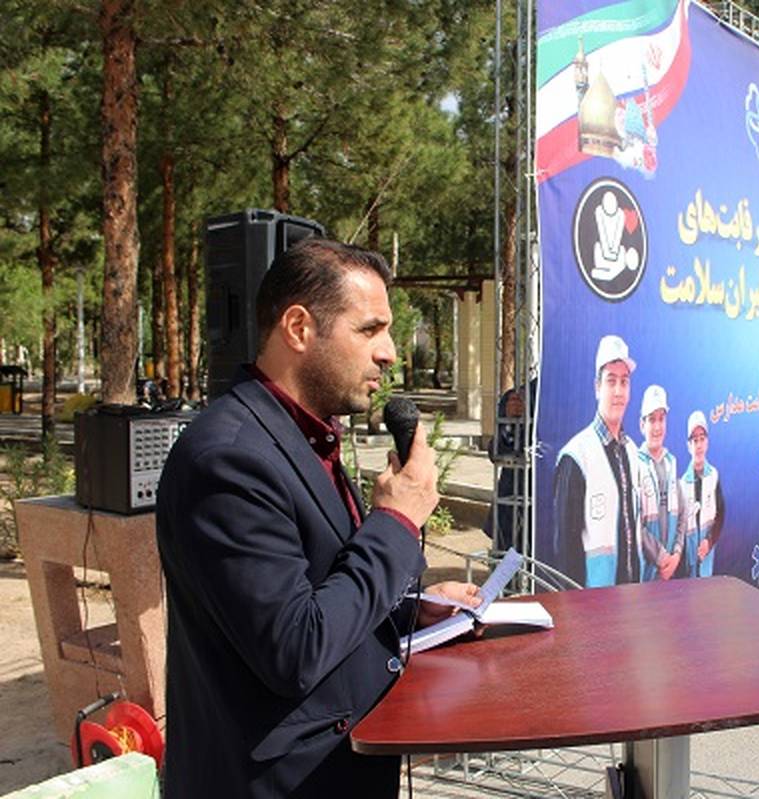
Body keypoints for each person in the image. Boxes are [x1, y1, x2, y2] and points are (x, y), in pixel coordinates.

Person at [156, 239, 480, 798]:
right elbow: (296, 650)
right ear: (299, 328)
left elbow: (321, 589)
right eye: (370, 329)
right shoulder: (228, 460)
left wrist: (407, 610)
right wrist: (396, 522)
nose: (390, 353)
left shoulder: (304, 436)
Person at [554, 335, 642, 586]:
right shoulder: (576, 456)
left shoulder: (632, 452)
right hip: (593, 599)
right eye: (611, 381)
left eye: (624, 382)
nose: (618, 391)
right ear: (597, 387)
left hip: (631, 595)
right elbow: (565, 550)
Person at [635, 384, 683, 581]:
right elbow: (633, 523)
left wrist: (676, 554)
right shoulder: (634, 465)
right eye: (651, 419)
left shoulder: (672, 463)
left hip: (670, 572)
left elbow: (682, 515)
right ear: (642, 425)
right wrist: (661, 557)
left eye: (661, 419)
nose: (657, 427)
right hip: (643, 577)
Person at [485, 379, 536, 553]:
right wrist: (510, 423)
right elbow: (496, 452)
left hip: (562, 517)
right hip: (516, 513)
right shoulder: (520, 396)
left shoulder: (594, 394)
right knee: (510, 565)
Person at [679, 410, 724, 578]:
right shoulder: (682, 485)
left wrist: (709, 541)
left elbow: (720, 514)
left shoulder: (714, 476)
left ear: (707, 442)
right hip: (687, 567)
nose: (698, 445)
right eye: (694, 440)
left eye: (702, 439)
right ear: (688, 445)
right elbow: (678, 530)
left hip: (708, 561)